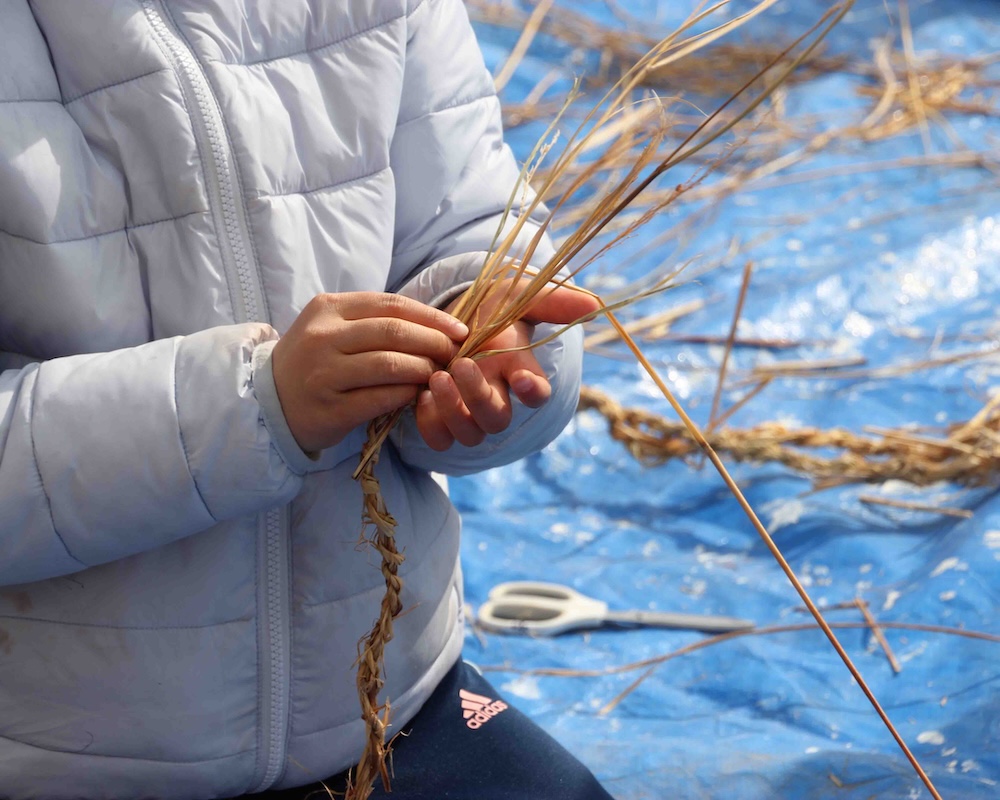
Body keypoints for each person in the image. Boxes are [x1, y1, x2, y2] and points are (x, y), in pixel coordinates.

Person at [0, 1, 613, 798]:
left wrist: (494, 339)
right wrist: (254, 407)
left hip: (386, 702)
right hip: (60, 758)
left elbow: (472, 225)